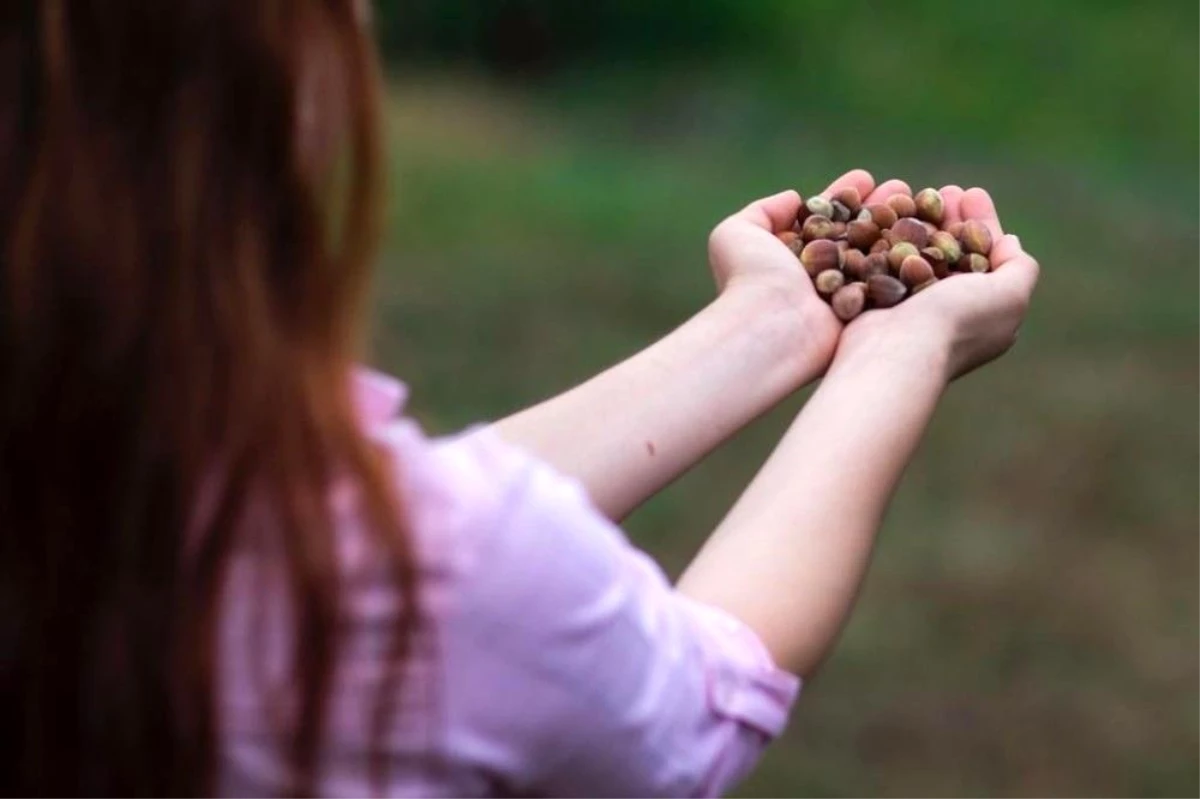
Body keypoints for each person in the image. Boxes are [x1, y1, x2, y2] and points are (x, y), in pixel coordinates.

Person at [0, 3, 1040, 797]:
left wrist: (765, 330)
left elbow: (399, 520)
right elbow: (696, 704)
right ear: (274, 89)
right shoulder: (416, 590)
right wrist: (894, 360)